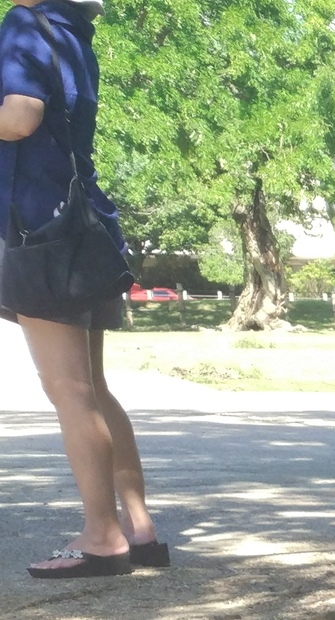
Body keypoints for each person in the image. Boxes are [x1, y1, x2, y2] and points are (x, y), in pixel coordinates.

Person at [0, 0, 160, 579]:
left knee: (69, 391)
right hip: (84, 226)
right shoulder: (70, 30)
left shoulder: (22, 23)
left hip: (42, 232)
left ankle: (102, 536)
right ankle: (139, 529)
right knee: (93, 388)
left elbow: (19, 117)